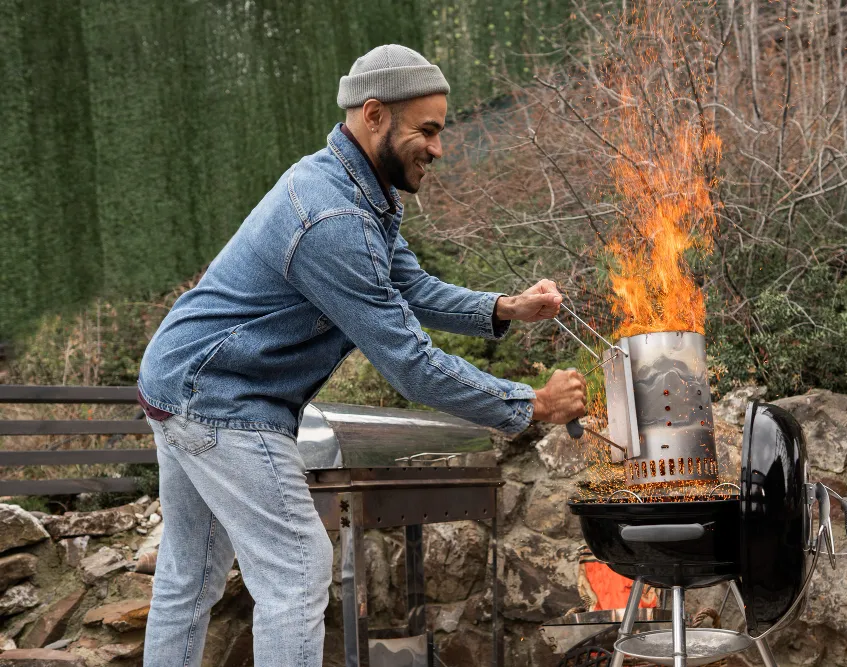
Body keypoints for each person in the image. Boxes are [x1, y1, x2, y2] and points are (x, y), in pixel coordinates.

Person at [136, 43, 587, 666]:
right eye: (427, 130)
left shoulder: (356, 188)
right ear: (374, 115)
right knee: (297, 568)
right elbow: (411, 365)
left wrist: (504, 307)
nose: (438, 147)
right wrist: (530, 404)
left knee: (190, 579)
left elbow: (409, 287)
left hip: (182, 378)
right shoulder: (333, 218)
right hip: (221, 398)